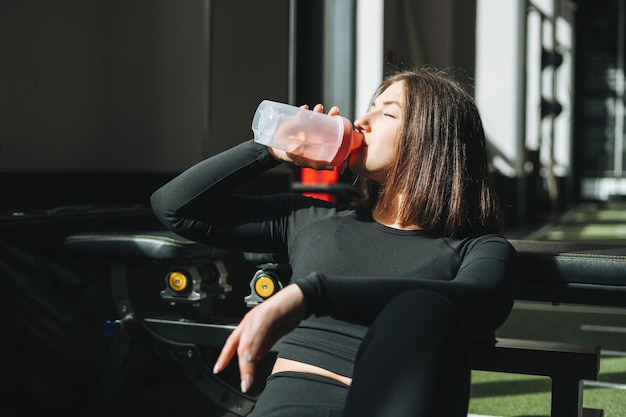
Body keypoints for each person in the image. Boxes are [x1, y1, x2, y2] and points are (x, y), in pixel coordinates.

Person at [150, 67, 518, 417]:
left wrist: (312, 294)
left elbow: (475, 304)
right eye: (370, 108)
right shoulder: (312, 220)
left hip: (389, 404)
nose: (362, 122)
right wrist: (270, 150)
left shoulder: (477, 248)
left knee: (426, 310)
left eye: (387, 114)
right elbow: (174, 208)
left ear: (434, 140)